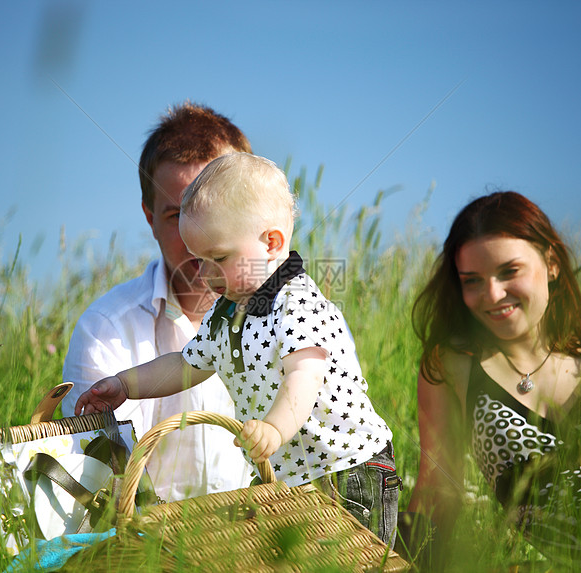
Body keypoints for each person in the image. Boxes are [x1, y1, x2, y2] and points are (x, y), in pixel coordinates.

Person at [76, 152, 400, 545]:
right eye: (199, 259)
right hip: (287, 477)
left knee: (358, 560)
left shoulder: (295, 302)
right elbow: (184, 365)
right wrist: (126, 385)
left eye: (220, 258)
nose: (206, 273)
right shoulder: (227, 312)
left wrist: (274, 429)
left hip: (346, 470)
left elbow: (305, 376)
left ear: (272, 242)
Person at [405, 190, 581, 570]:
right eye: (472, 280)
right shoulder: (452, 367)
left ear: (551, 264)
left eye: (509, 272)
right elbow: (439, 490)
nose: (492, 294)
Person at [62, 102, 254, 502]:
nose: (196, 238)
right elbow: (102, 481)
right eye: (176, 215)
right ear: (149, 218)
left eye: (216, 212)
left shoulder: (293, 317)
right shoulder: (104, 331)